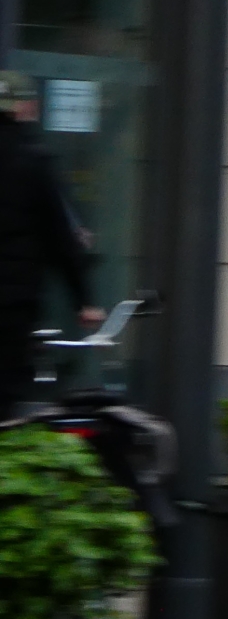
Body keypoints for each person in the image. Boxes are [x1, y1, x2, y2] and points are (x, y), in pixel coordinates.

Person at [0, 71, 101, 414]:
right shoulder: (33, 160)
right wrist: (84, 301)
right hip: (12, 302)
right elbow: (59, 235)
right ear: (25, 107)